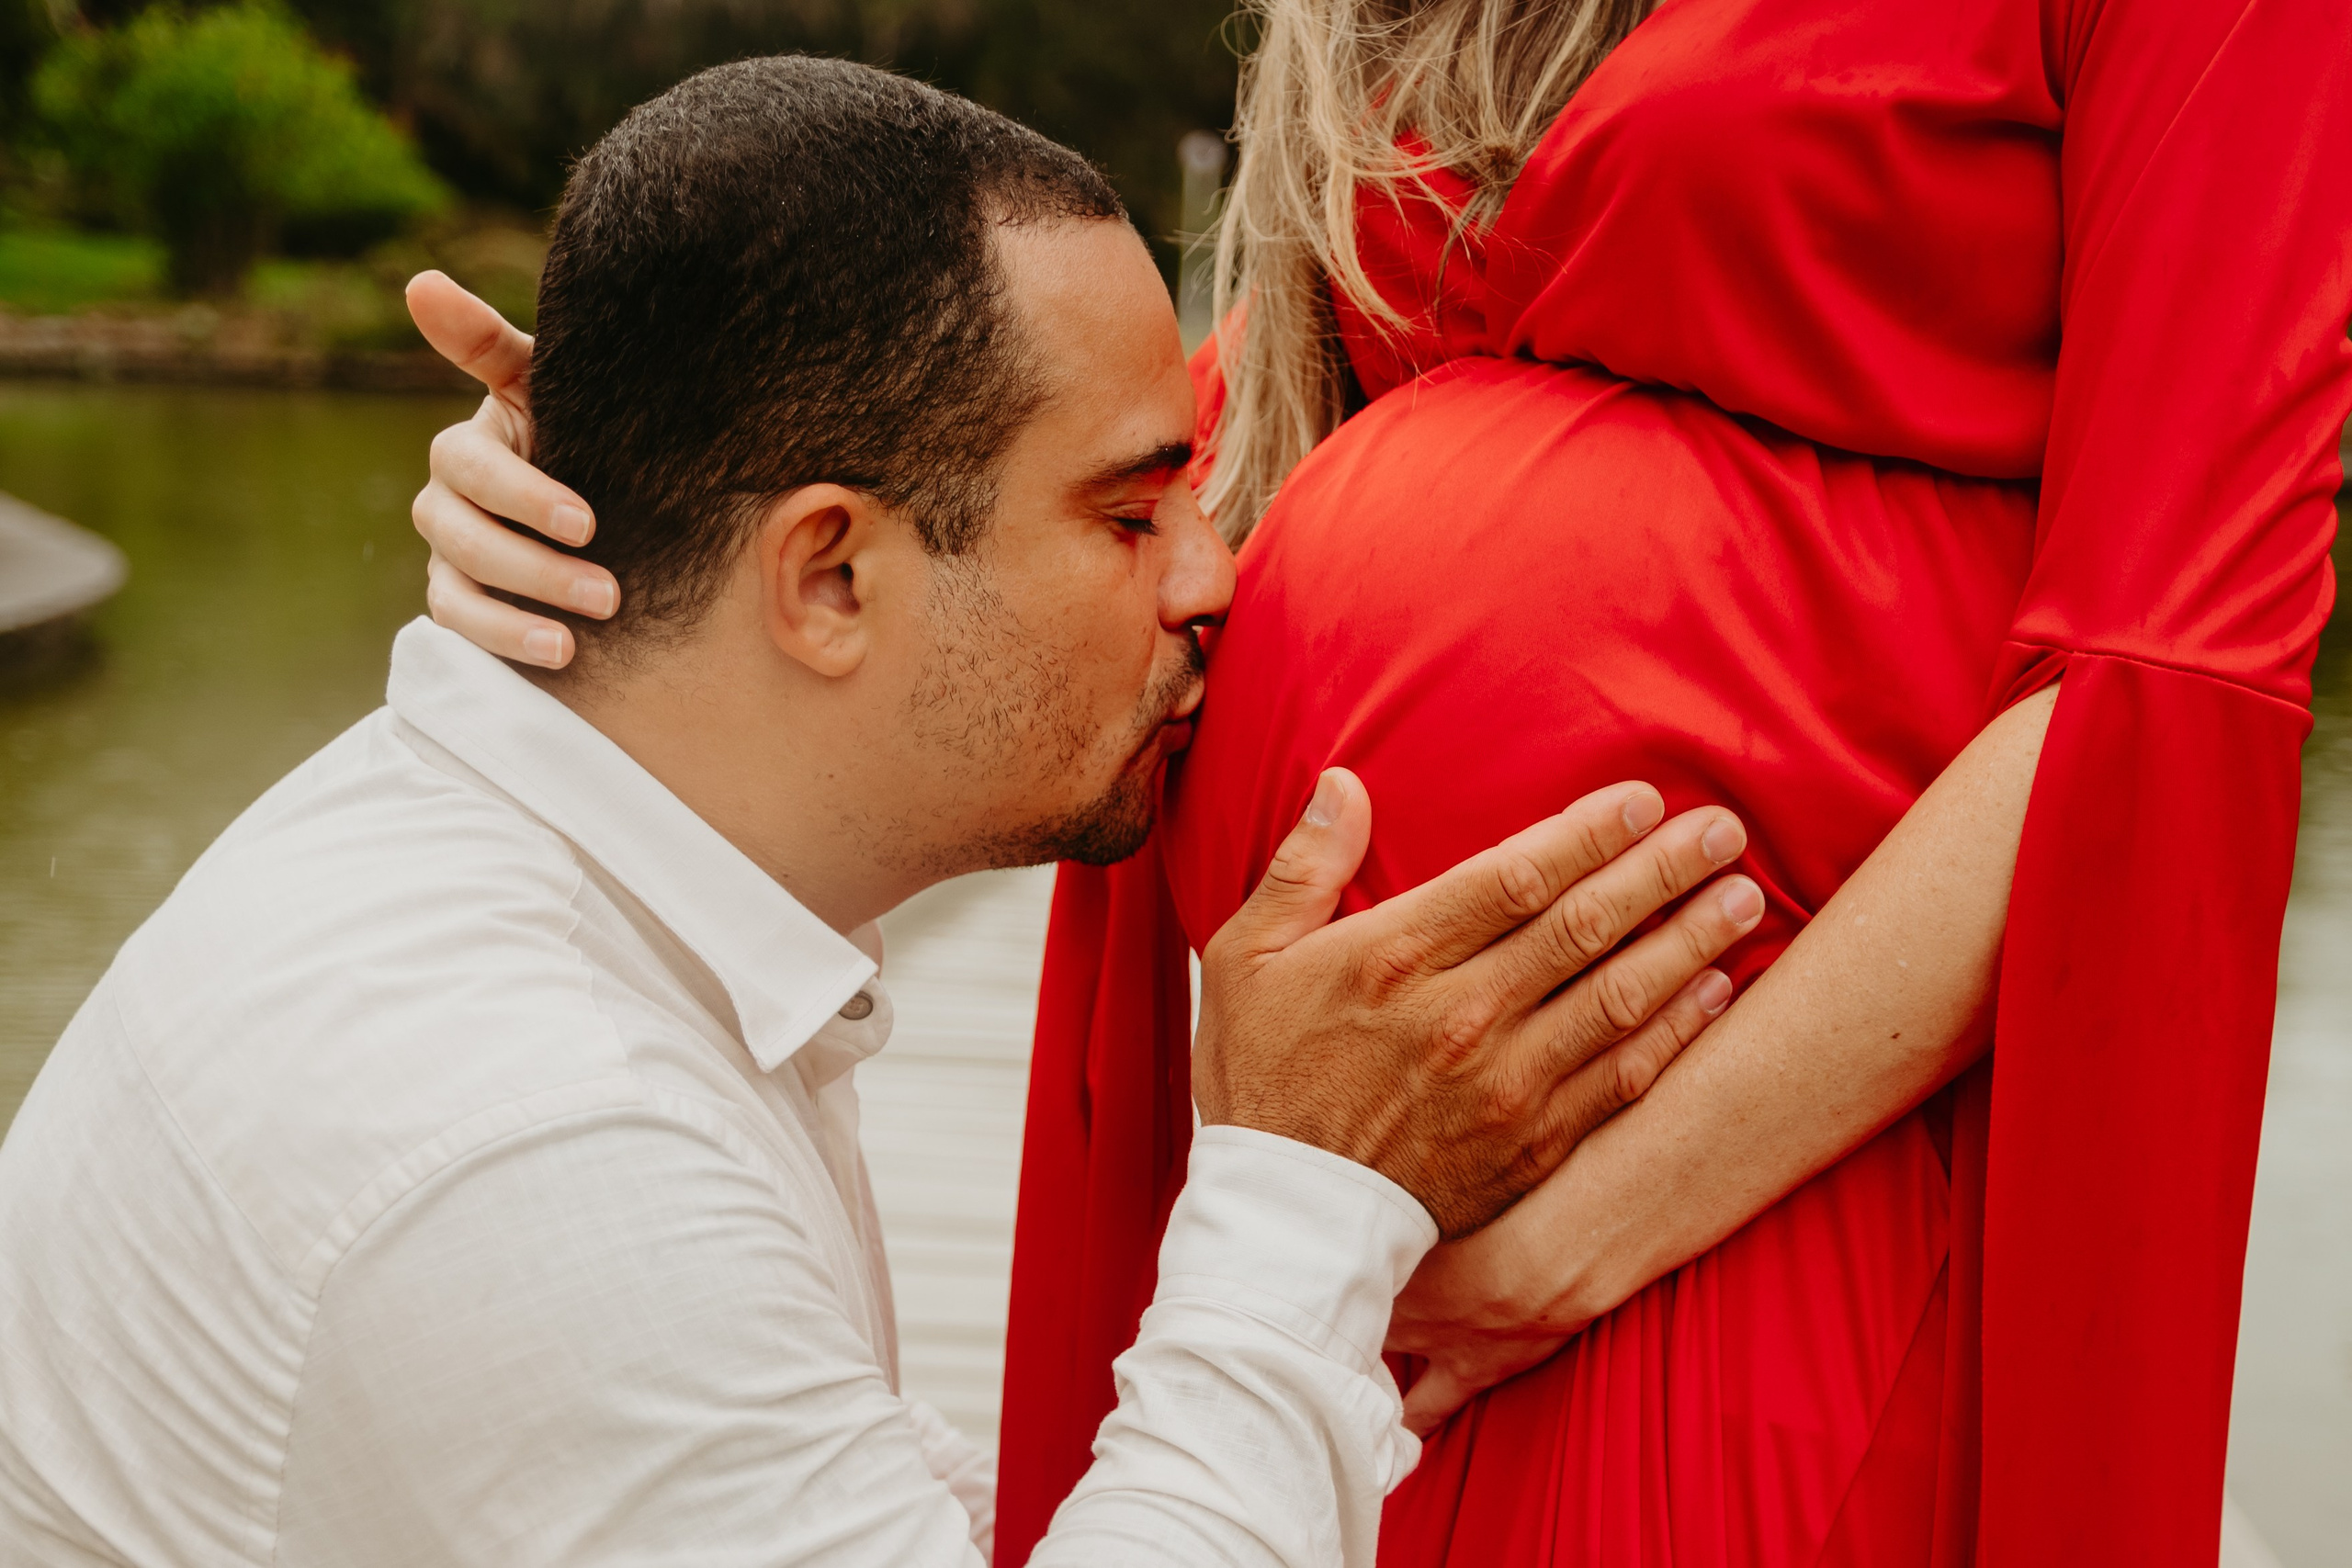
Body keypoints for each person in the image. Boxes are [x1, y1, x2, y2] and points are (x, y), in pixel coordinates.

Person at [412, 4, 2352, 1567]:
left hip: (1728, 1177)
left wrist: (1556, 1250)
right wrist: (643, 515)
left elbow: (2160, 675)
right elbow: (1118, 475)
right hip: (1342, 1172)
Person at [0, 60, 1770, 1567]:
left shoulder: (536, 875)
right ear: (829, 578)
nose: (1215, 575)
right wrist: (1312, 1192)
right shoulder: (532, 1145)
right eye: (1131, 511)